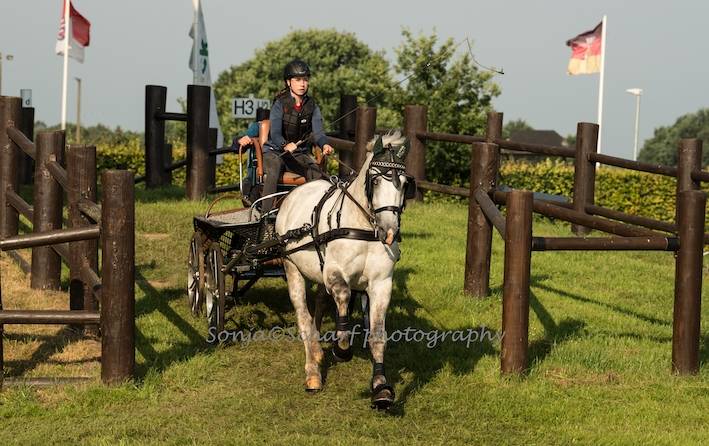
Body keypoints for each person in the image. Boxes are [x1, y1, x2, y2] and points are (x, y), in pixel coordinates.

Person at [261, 59, 334, 213]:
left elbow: (319, 132)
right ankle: (265, 218)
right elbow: (274, 133)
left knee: (316, 174)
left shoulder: (312, 106)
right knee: (273, 170)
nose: (302, 84)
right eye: (298, 80)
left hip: (297, 154)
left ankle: (313, 215)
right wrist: (285, 145)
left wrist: (324, 144)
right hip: (275, 152)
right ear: (289, 82)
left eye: (305, 80)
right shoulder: (280, 104)